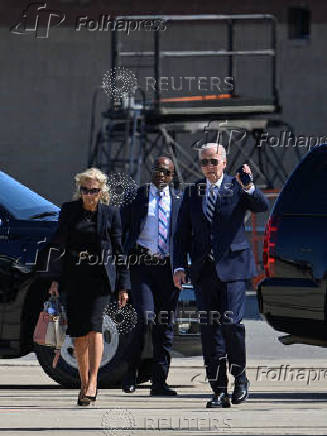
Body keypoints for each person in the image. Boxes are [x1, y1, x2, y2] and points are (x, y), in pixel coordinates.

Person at [173, 143, 269, 408]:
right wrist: (179, 267)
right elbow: (181, 234)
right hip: (204, 272)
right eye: (204, 162)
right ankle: (218, 390)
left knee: (231, 324)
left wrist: (249, 186)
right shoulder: (193, 192)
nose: (209, 167)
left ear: (224, 163)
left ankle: (240, 378)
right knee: (209, 331)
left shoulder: (237, 185)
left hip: (233, 269)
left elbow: (261, 205)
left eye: (213, 162)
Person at [37, 167, 130, 406]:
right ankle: (83, 381)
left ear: (102, 191)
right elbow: (59, 245)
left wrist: (123, 286)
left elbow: (119, 251)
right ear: (80, 189)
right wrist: (55, 279)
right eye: (85, 189)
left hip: (100, 279)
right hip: (74, 278)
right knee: (77, 333)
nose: (89, 194)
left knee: (94, 327)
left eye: (94, 190)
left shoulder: (110, 214)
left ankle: (94, 381)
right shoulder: (69, 211)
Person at [120, 156, 182, 396]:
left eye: (166, 172)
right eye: (157, 170)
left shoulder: (179, 200)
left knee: (164, 326)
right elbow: (122, 228)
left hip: (168, 269)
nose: (160, 175)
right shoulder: (138, 196)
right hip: (142, 265)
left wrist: (183, 268)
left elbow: (185, 235)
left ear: (172, 176)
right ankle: (130, 374)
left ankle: (159, 383)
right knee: (144, 319)